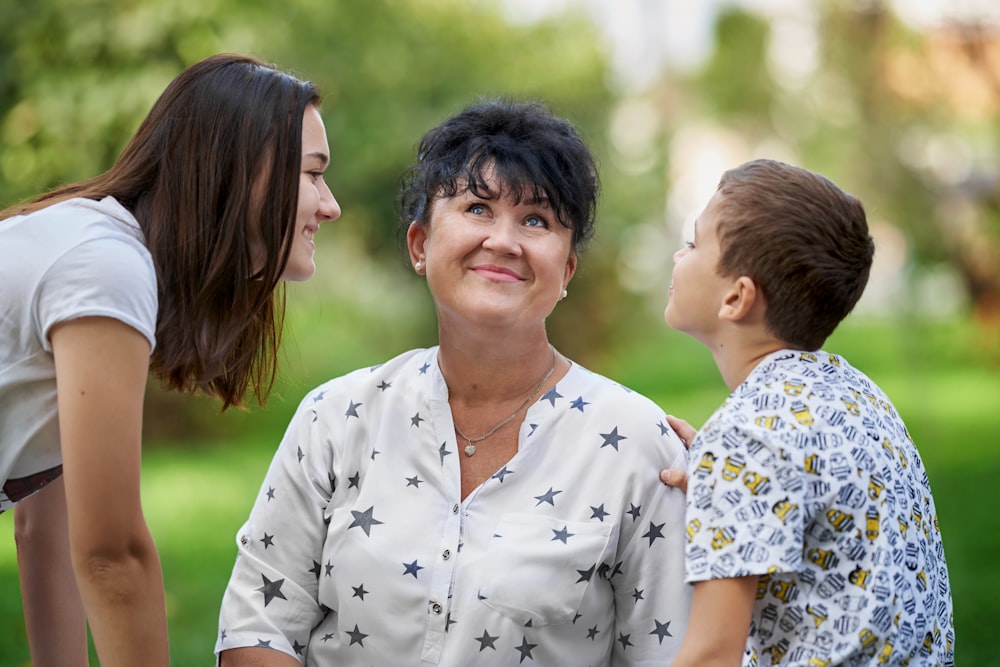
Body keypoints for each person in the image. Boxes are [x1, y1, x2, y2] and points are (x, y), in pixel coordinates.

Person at [215, 99, 691, 666]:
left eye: (536, 220)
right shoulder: (337, 419)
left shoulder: (637, 445)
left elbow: (676, 653)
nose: (504, 241)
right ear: (420, 246)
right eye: (477, 208)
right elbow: (258, 626)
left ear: (565, 272)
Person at [0, 53, 340, 666]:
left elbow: (46, 529)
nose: (330, 204)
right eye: (314, 175)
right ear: (245, 172)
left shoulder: (96, 255)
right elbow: (112, 553)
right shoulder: (105, 267)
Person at [660, 158, 954, 666]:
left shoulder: (744, 436)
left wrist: (726, 465)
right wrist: (722, 486)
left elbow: (712, 654)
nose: (676, 254)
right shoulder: (857, 393)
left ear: (736, 297)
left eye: (693, 243)